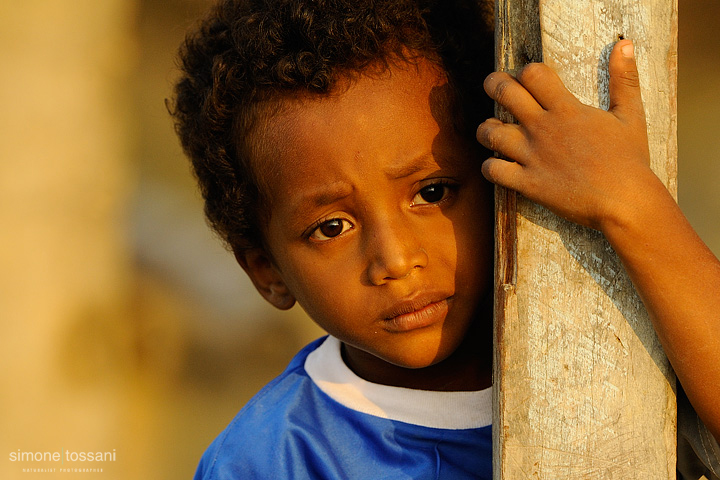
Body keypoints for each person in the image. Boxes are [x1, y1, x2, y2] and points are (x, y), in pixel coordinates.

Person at [170, 0, 720, 478]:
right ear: (266, 269)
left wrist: (631, 202)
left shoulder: (633, 352)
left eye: (432, 193)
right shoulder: (267, 461)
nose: (397, 259)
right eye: (332, 227)